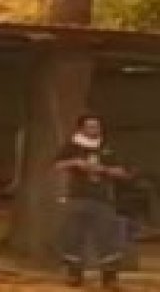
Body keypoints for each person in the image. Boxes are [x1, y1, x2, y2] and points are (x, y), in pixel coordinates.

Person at [57, 114, 131, 289]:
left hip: (102, 199)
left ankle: (110, 277)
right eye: (90, 126)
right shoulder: (72, 146)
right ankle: (74, 275)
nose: (94, 130)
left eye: (96, 126)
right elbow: (57, 165)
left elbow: (123, 172)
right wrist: (75, 162)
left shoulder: (108, 147)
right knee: (74, 237)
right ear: (81, 128)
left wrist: (103, 169)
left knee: (107, 238)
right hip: (77, 197)